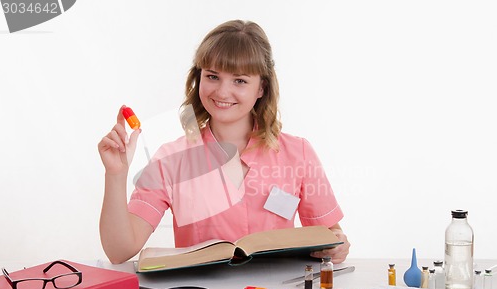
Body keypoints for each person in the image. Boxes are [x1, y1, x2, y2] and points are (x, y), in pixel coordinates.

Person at [98, 20, 350, 265]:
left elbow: (330, 237)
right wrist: (116, 175)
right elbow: (119, 251)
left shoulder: (298, 153)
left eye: (239, 80)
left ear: (261, 88)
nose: (222, 92)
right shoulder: (171, 160)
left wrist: (336, 245)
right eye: (213, 76)